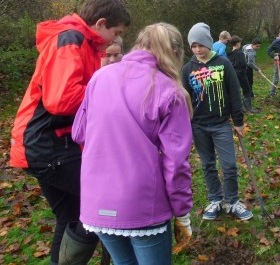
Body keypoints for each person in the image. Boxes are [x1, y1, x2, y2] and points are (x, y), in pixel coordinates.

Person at [9, 0, 130, 265]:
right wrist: (106, 91)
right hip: (45, 144)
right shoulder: (70, 39)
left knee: (73, 215)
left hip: (53, 142)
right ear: (100, 23)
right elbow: (61, 100)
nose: (114, 39)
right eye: (116, 32)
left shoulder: (85, 43)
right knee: (103, 199)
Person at [72, 23, 193, 265]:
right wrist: (182, 214)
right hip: (143, 204)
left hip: (97, 202)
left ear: (139, 43)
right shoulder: (170, 91)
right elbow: (176, 163)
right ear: (176, 52)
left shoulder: (100, 77)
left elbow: (79, 132)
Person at [182, 23, 253, 221]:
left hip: (221, 123)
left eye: (200, 45)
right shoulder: (187, 69)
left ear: (208, 43)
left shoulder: (223, 63)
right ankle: (215, 199)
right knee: (208, 164)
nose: (197, 50)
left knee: (229, 165)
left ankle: (232, 201)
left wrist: (238, 121)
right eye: (193, 46)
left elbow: (234, 93)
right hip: (198, 125)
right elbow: (184, 99)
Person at [228, 35, 259, 113]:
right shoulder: (240, 53)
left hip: (233, 74)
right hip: (241, 74)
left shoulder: (230, 54)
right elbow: (244, 64)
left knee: (237, 91)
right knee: (247, 90)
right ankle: (248, 108)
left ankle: (239, 108)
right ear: (238, 44)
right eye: (240, 43)